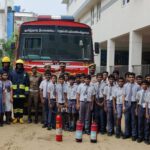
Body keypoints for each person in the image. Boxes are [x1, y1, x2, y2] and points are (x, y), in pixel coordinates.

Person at [122, 72, 140, 141]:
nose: (131, 78)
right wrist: (123, 106)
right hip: (126, 104)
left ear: (134, 78)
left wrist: (136, 108)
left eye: (133, 77)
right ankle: (127, 134)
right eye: (130, 77)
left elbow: (138, 98)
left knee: (133, 120)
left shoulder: (137, 86)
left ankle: (134, 135)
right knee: (127, 119)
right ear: (128, 78)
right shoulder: (125, 85)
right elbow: (123, 95)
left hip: (134, 104)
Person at [11, 59, 30, 124]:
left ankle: (21, 118)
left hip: (22, 93)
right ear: (16, 65)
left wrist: (26, 92)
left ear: (22, 65)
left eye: (20, 64)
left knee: (21, 106)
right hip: (14, 93)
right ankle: (16, 118)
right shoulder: (12, 73)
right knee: (15, 106)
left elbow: (27, 84)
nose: (19, 65)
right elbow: (10, 83)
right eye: (18, 64)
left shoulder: (25, 73)